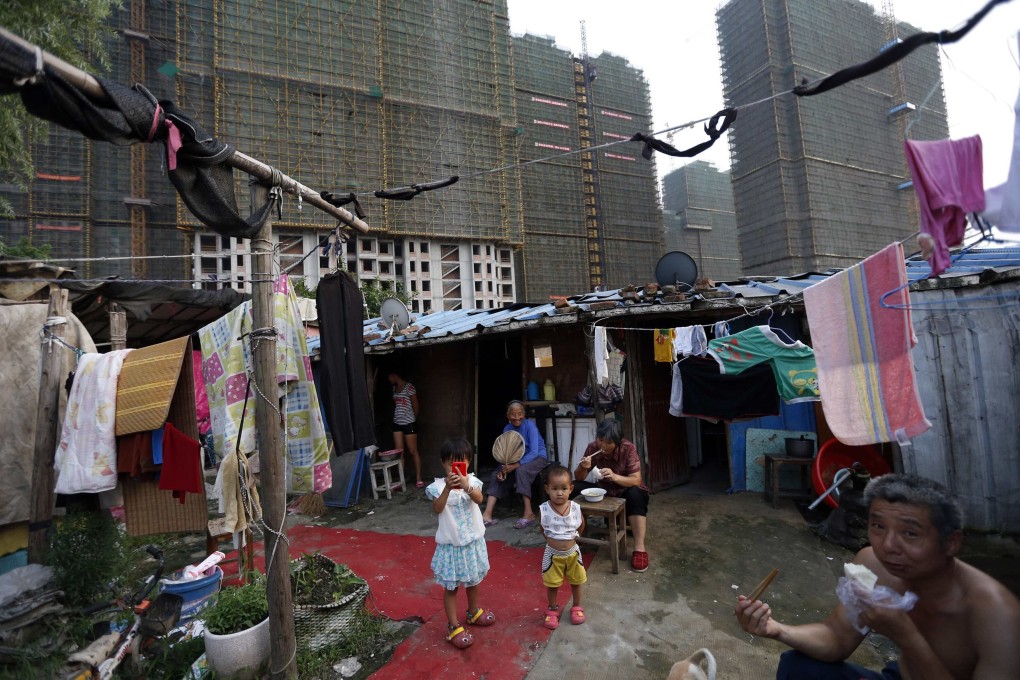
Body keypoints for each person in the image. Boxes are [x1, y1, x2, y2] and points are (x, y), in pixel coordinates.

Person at [734, 473, 1020, 680]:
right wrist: (777, 629)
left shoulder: (997, 614)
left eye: (910, 532)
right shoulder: (872, 563)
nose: (888, 545)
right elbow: (836, 638)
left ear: (951, 543)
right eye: (878, 526)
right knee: (800, 667)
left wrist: (907, 636)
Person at [425, 438, 497, 650]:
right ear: (443, 463)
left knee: (473, 581)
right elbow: (437, 509)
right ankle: (453, 626)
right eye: (451, 464)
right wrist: (447, 489)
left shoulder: (472, 481)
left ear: (468, 463)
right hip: (452, 546)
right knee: (452, 587)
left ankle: (473, 612)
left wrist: (465, 485)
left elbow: (479, 499)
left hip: (472, 542)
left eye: (460, 464)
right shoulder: (437, 487)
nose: (455, 469)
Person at [572, 419, 651, 572]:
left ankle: (639, 548)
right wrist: (583, 466)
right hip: (604, 491)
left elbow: (636, 480)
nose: (603, 446)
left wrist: (615, 477)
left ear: (618, 441)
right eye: (601, 440)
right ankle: (576, 537)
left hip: (625, 492)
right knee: (574, 488)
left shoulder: (628, 448)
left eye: (608, 442)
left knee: (636, 494)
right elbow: (579, 477)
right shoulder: (593, 448)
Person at [481, 400, 549, 529]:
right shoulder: (507, 428)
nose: (517, 417)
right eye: (513, 414)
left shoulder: (530, 427)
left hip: (538, 458)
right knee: (498, 472)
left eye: (520, 414)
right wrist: (505, 466)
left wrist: (517, 465)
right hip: (516, 460)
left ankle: (528, 513)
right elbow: (507, 451)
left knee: (521, 471)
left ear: (524, 414)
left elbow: (534, 452)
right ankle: (487, 514)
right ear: (508, 416)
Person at [539, 464, 587, 630]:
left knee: (576, 580)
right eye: (555, 488)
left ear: (571, 489)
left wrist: (575, 539)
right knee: (552, 583)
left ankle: (577, 606)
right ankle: (552, 609)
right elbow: (542, 528)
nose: (559, 493)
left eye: (564, 488)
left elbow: (581, 525)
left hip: (573, 552)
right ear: (547, 489)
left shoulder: (574, 508)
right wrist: (553, 540)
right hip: (552, 554)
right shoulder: (544, 509)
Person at [388, 371, 423, 488]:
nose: (389, 380)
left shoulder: (409, 387)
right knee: (399, 453)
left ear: (394, 375)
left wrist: (413, 419)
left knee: (413, 451)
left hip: (409, 423)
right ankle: (401, 480)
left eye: (389, 377)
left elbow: (416, 405)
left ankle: (418, 478)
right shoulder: (395, 388)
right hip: (397, 423)